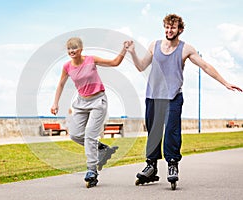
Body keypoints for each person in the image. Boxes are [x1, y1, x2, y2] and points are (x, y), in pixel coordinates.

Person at [126, 14, 242, 187]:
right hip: (153, 96)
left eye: (172, 27)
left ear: (180, 30)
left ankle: (172, 164)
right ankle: (151, 166)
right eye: (166, 27)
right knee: (153, 133)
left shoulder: (185, 49)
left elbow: (205, 66)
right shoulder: (154, 45)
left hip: (173, 96)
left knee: (172, 131)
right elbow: (141, 66)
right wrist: (133, 52)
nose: (169, 30)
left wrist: (225, 82)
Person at [51, 37, 128, 187]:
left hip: (98, 101)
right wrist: (55, 103)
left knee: (90, 136)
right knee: (75, 134)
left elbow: (114, 62)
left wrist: (124, 50)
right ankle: (101, 148)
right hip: (81, 102)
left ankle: (92, 170)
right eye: (69, 49)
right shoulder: (67, 66)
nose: (72, 51)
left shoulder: (91, 60)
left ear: (81, 49)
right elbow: (60, 84)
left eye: (74, 48)